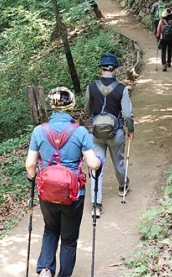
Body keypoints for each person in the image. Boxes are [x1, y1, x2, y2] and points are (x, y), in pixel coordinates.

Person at [26, 87, 102, 277]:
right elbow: (93, 164)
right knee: (68, 239)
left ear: (52, 106)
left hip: (48, 194)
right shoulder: (80, 132)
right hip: (73, 195)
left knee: (50, 229)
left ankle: (45, 269)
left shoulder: (38, 131)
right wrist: (98, 162)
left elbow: (30, 164)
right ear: (72, 105)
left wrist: (32, 175)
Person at [84, 53, 134, 218]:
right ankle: (122, 186)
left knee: (96, 166)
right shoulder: (122, 89)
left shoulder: (91, 87)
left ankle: (96, 205)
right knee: (118, 160)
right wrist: (130, 129)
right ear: (116, 70)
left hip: (96, 133)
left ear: (101, 68)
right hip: (116, 132)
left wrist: (92, 120)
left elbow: (86, 109)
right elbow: (127, 114)